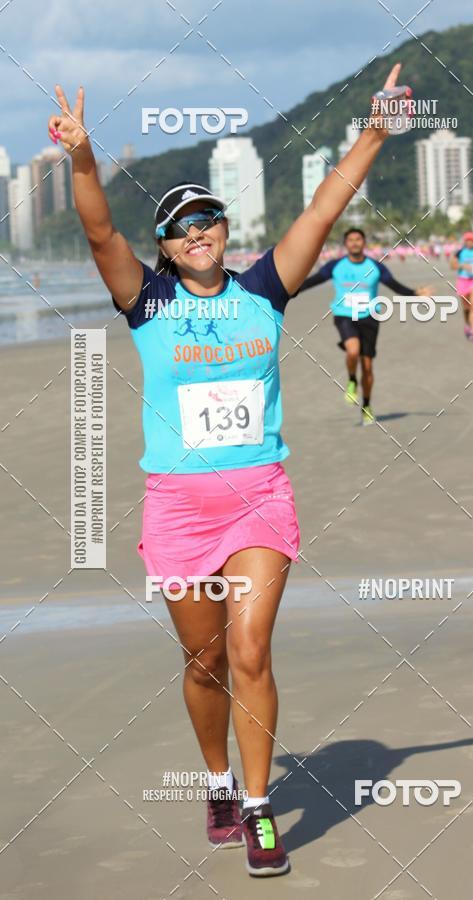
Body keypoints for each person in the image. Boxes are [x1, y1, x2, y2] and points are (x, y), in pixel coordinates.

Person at [49, 63, 407, 878]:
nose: (197, 229)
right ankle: (215, 780)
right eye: (180, 226)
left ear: (223, 228)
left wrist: (377, 129)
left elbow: (325, 206)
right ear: (168, 250)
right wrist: (82, 159)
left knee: (250, 654)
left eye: (207, 216)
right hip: (177, 510)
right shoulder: (148, 302)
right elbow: (103, 235)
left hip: (259, 501)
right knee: (205, 662)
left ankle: (256, 809)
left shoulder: (264, 290)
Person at [294, 227, 431, 425]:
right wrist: (289, 291)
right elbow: (313, 281)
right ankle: (351, 380)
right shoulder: (336, 266)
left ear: (364, 243)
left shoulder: (376, 267)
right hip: (344, 315)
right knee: (352, 350)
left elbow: (394, 285)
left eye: (358, 239)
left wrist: (415, 293)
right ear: (345, 244)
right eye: (351, 240)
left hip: (369, 317)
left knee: (367, 366)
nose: (355, 243)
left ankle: (366, 405)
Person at [452, 231, 473, 341]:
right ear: (465, 242)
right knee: (466, 308)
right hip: (462, 281)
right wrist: (462, 265)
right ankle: (467, 325)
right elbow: (453, 265)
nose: (469, 242)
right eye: (467, 240)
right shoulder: (460, 252)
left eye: (471, 240)